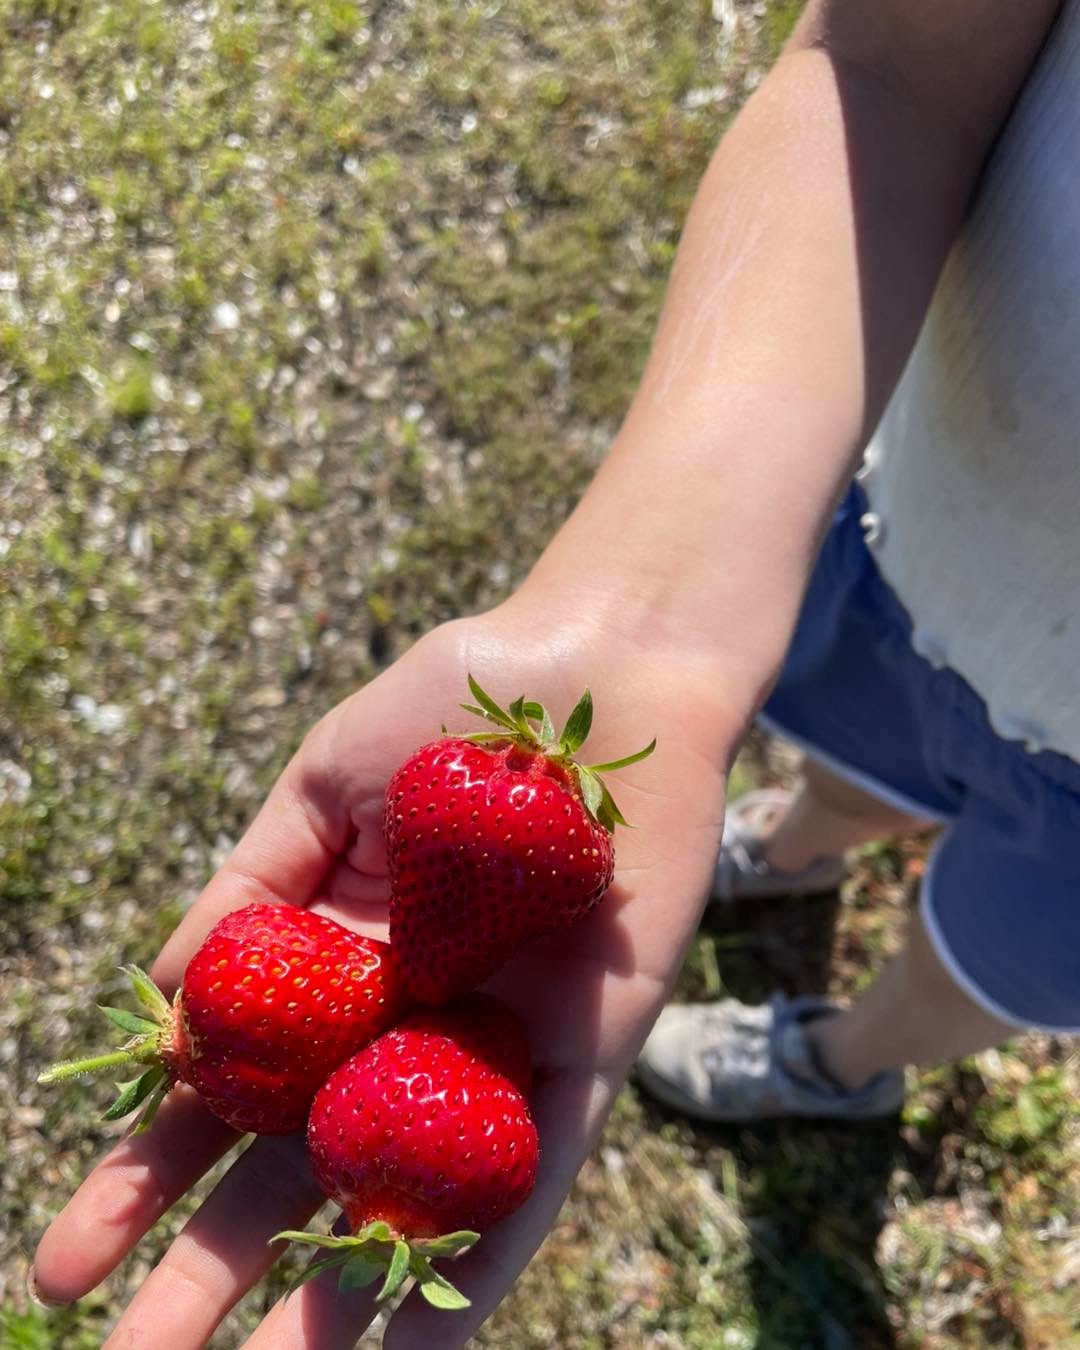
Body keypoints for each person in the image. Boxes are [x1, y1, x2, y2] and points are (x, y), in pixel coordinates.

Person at [29, 1, 1076, 1345]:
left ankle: (847, 1058)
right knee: (866, 750)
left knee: (985, 955)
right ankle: (801, 839)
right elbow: (885, 75)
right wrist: (644, 622)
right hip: (936, 548)